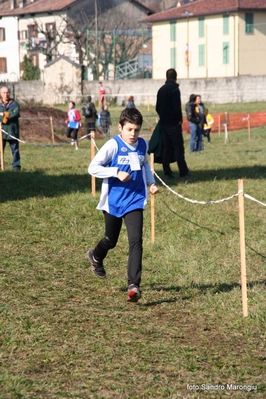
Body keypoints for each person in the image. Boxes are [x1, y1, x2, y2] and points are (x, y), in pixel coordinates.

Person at [88, 107, 158, 303]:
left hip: (135, 200)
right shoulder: (113, 145)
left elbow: (145, 165)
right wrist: (115, 172)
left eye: (136, 130)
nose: (133, 134)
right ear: (120, 128)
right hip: (114, 202)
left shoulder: (143, 145)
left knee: (136, 241)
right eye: (129, 129)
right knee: (111, 240)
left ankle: (133, 285)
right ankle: (95, 256)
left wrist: (150, 183)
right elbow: (92, 168)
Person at [155, 68, 189, 180]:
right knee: (178, 148)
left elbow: (157, 107)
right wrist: (178, 119)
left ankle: (167, 172)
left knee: (166, 148)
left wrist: (163, 117)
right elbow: (176, 107)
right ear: (175, 77)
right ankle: (183, 172)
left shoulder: (160, 90)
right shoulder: (174, 89)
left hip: (163, 123)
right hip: (173, 123)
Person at [0, 86, 21, 170]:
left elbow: (15, 114)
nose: (6, 94)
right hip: (2, 132)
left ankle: (16, 167)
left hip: (13, 131)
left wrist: (4, 114)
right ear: (1, 94)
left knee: (15, 150)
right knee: (0, 150)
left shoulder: (14, 104)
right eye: (4, 93)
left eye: (7, 92)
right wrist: (7, 115)